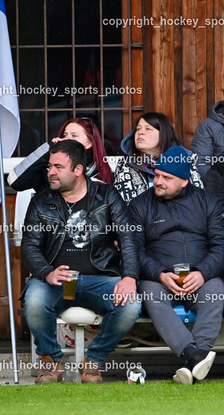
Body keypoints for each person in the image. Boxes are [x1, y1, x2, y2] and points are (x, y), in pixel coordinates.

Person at [21, 140, 140, 384]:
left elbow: (127, 237)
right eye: (49, 166)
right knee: (34, 300)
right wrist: (47, 273)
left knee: (130, 304)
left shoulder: (106, 195)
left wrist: (129, 276)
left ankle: (93, 361)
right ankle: (50, 362)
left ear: (78, 170)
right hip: (55, 281)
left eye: (58, 167)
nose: (51, 172)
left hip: (100, 277)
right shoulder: (40, 201)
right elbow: (29, 246)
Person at [130, 146, 224, 385]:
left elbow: (221, 246)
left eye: (167, 178)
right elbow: (134, 250)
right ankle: (194, 357)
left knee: (215, 289)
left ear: (184, 181)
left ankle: (193, 360)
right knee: (150, 293)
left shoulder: (206, 202)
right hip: (159, 279)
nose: (158, 182)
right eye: (157, 175)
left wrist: (202, 273)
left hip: (199, 276)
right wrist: (159, 274)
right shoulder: (140, 205)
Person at [113, 112, 203, 204]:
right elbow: (127, 205)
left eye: (148, 129)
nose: (140, 132)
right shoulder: (126, 164)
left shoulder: (184, 159)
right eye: (138, 128)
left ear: (163, 134)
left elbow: (198, 200)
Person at [8, 117, 113, 192]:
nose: (67, 139)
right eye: (65, 135)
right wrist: (48, 149)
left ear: (90, 142)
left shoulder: (100, 171)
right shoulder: (49, 170)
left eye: (74, 135)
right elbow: (15, 182)